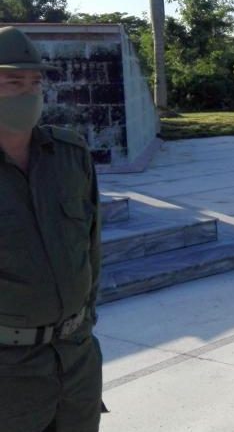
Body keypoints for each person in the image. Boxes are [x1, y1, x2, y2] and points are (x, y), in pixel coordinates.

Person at [0, 26, 103, 431]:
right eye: (13, 82)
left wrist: (84, 327)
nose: (28, 93)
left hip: (76, 361)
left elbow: (91, 248)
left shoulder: (69, 154)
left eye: (35, 82)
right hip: (10, 376)